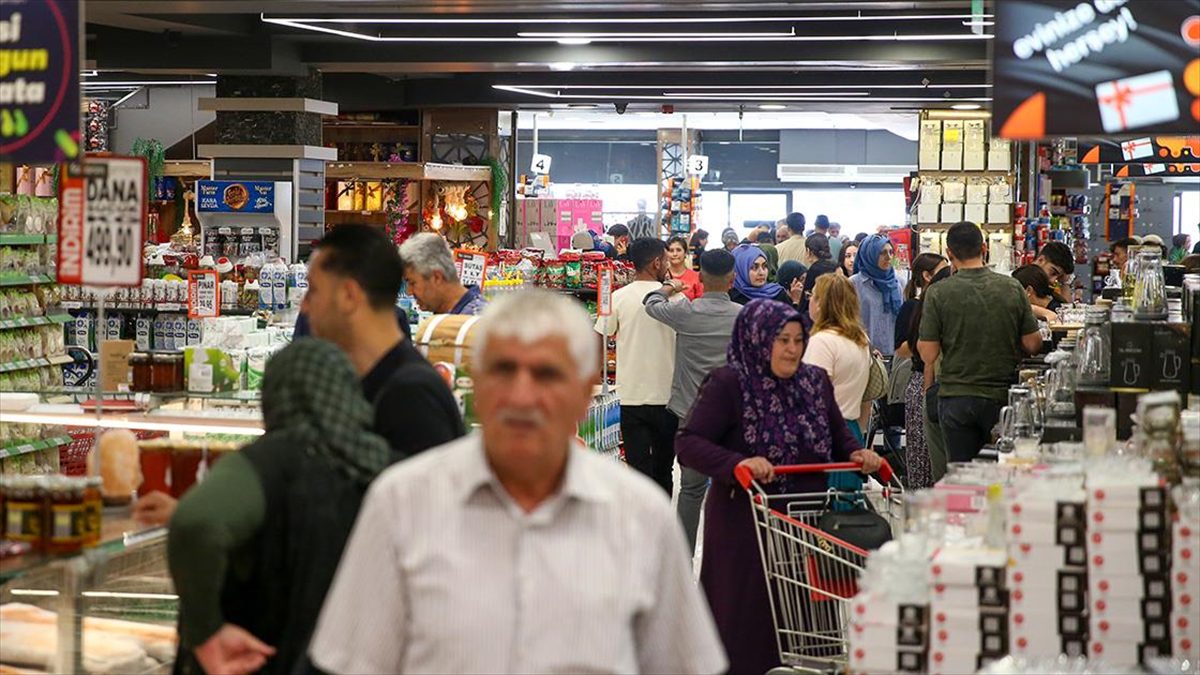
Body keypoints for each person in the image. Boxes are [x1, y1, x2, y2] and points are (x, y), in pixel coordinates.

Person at [309, 291, 728, 675]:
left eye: (547, 375)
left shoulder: (641, 517)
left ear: (585, 393)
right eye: (503, 370)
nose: (523, 396)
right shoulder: (402, 502)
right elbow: (353, 661)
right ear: (477, 383)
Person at [676, 299, 883, 675]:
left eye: (798, 339)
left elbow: (838, 437)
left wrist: (858, 454)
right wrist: (736, 463)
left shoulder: (814, 382)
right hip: (746, 524)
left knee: (805, 619)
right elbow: (689, 443)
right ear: (756, 339)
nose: (792, 348)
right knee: (746, 621)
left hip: (805, 526)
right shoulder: (729, 383)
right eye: (781, 340)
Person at [168, 340, 393, 675]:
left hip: (259, 659)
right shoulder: (388, 467)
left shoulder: (265, 464)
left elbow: (196, 524)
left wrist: (206, 633)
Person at [303, 225, 465, 459]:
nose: (304, 306)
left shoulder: (411, 398)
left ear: (349, 295)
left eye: (313, 291)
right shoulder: (376, 379)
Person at [644, 249, 743, 553]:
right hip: (732, 416)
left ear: (700, 277)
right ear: (732, 279)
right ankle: (729, 559)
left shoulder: (686, 313)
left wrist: (669, 287)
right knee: (735, 489)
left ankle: (683, 561)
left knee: (690, 490)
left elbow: (651, 303)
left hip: (692, 414)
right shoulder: (743, 316)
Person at [919, 222, 1043, 462]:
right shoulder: (1011, 287)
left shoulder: (938, 293)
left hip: (956, 396)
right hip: (1001, 398)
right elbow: (1033, 344)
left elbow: (928, 354)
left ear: (949, 253)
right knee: (1004, 472)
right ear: (984, 248)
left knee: (963, 476)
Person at [596, 237, 678, 494]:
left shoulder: (618, 298)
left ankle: (641, 527)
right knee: (664, 469)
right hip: (667, 398)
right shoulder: (676, 300)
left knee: (638, 470)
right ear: (656, 263)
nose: (668, 265)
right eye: (665, 260)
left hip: (630, 396)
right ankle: (662, 525)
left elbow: (599, 337)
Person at [894, 253, 949, 489]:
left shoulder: (944, 303)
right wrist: (925, 342)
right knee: (921, 452)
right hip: (921, 382)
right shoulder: (913, 307)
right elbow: (901, 348)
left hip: (937, 381)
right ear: (927, 276)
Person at [804, 274, 873, 445]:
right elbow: (867, 397)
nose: (809, 300)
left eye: (812, 295)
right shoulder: (861, 339)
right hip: (852, 428)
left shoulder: (822, 342)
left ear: (821, 304)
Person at [398, 233, 487, 315]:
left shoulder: (478, 321)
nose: (409, 292)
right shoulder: (446, 315)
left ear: (437, 277)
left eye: (412, 283)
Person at [850, 234, 902, 357]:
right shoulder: (854, 284)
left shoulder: (897, 283)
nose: (888, 257)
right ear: (870, 255)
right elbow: (848, 320)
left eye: (890, 252)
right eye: (882, 253)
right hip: (865, 354)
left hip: (894, 354)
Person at [1033, 241, 1074, 310]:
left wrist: (1064, 283)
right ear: (1041, 260)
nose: (1053, 281)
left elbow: (1067, 312)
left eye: (1058, 278)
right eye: (1053, 273)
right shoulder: (1022, 279)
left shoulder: (1045, 288)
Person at [666, 235, 703, 299]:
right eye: (671, 250)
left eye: (678, 250)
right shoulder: (661, 276)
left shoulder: (697, 277)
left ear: (685, 253)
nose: (675, 254)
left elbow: (700, 303)